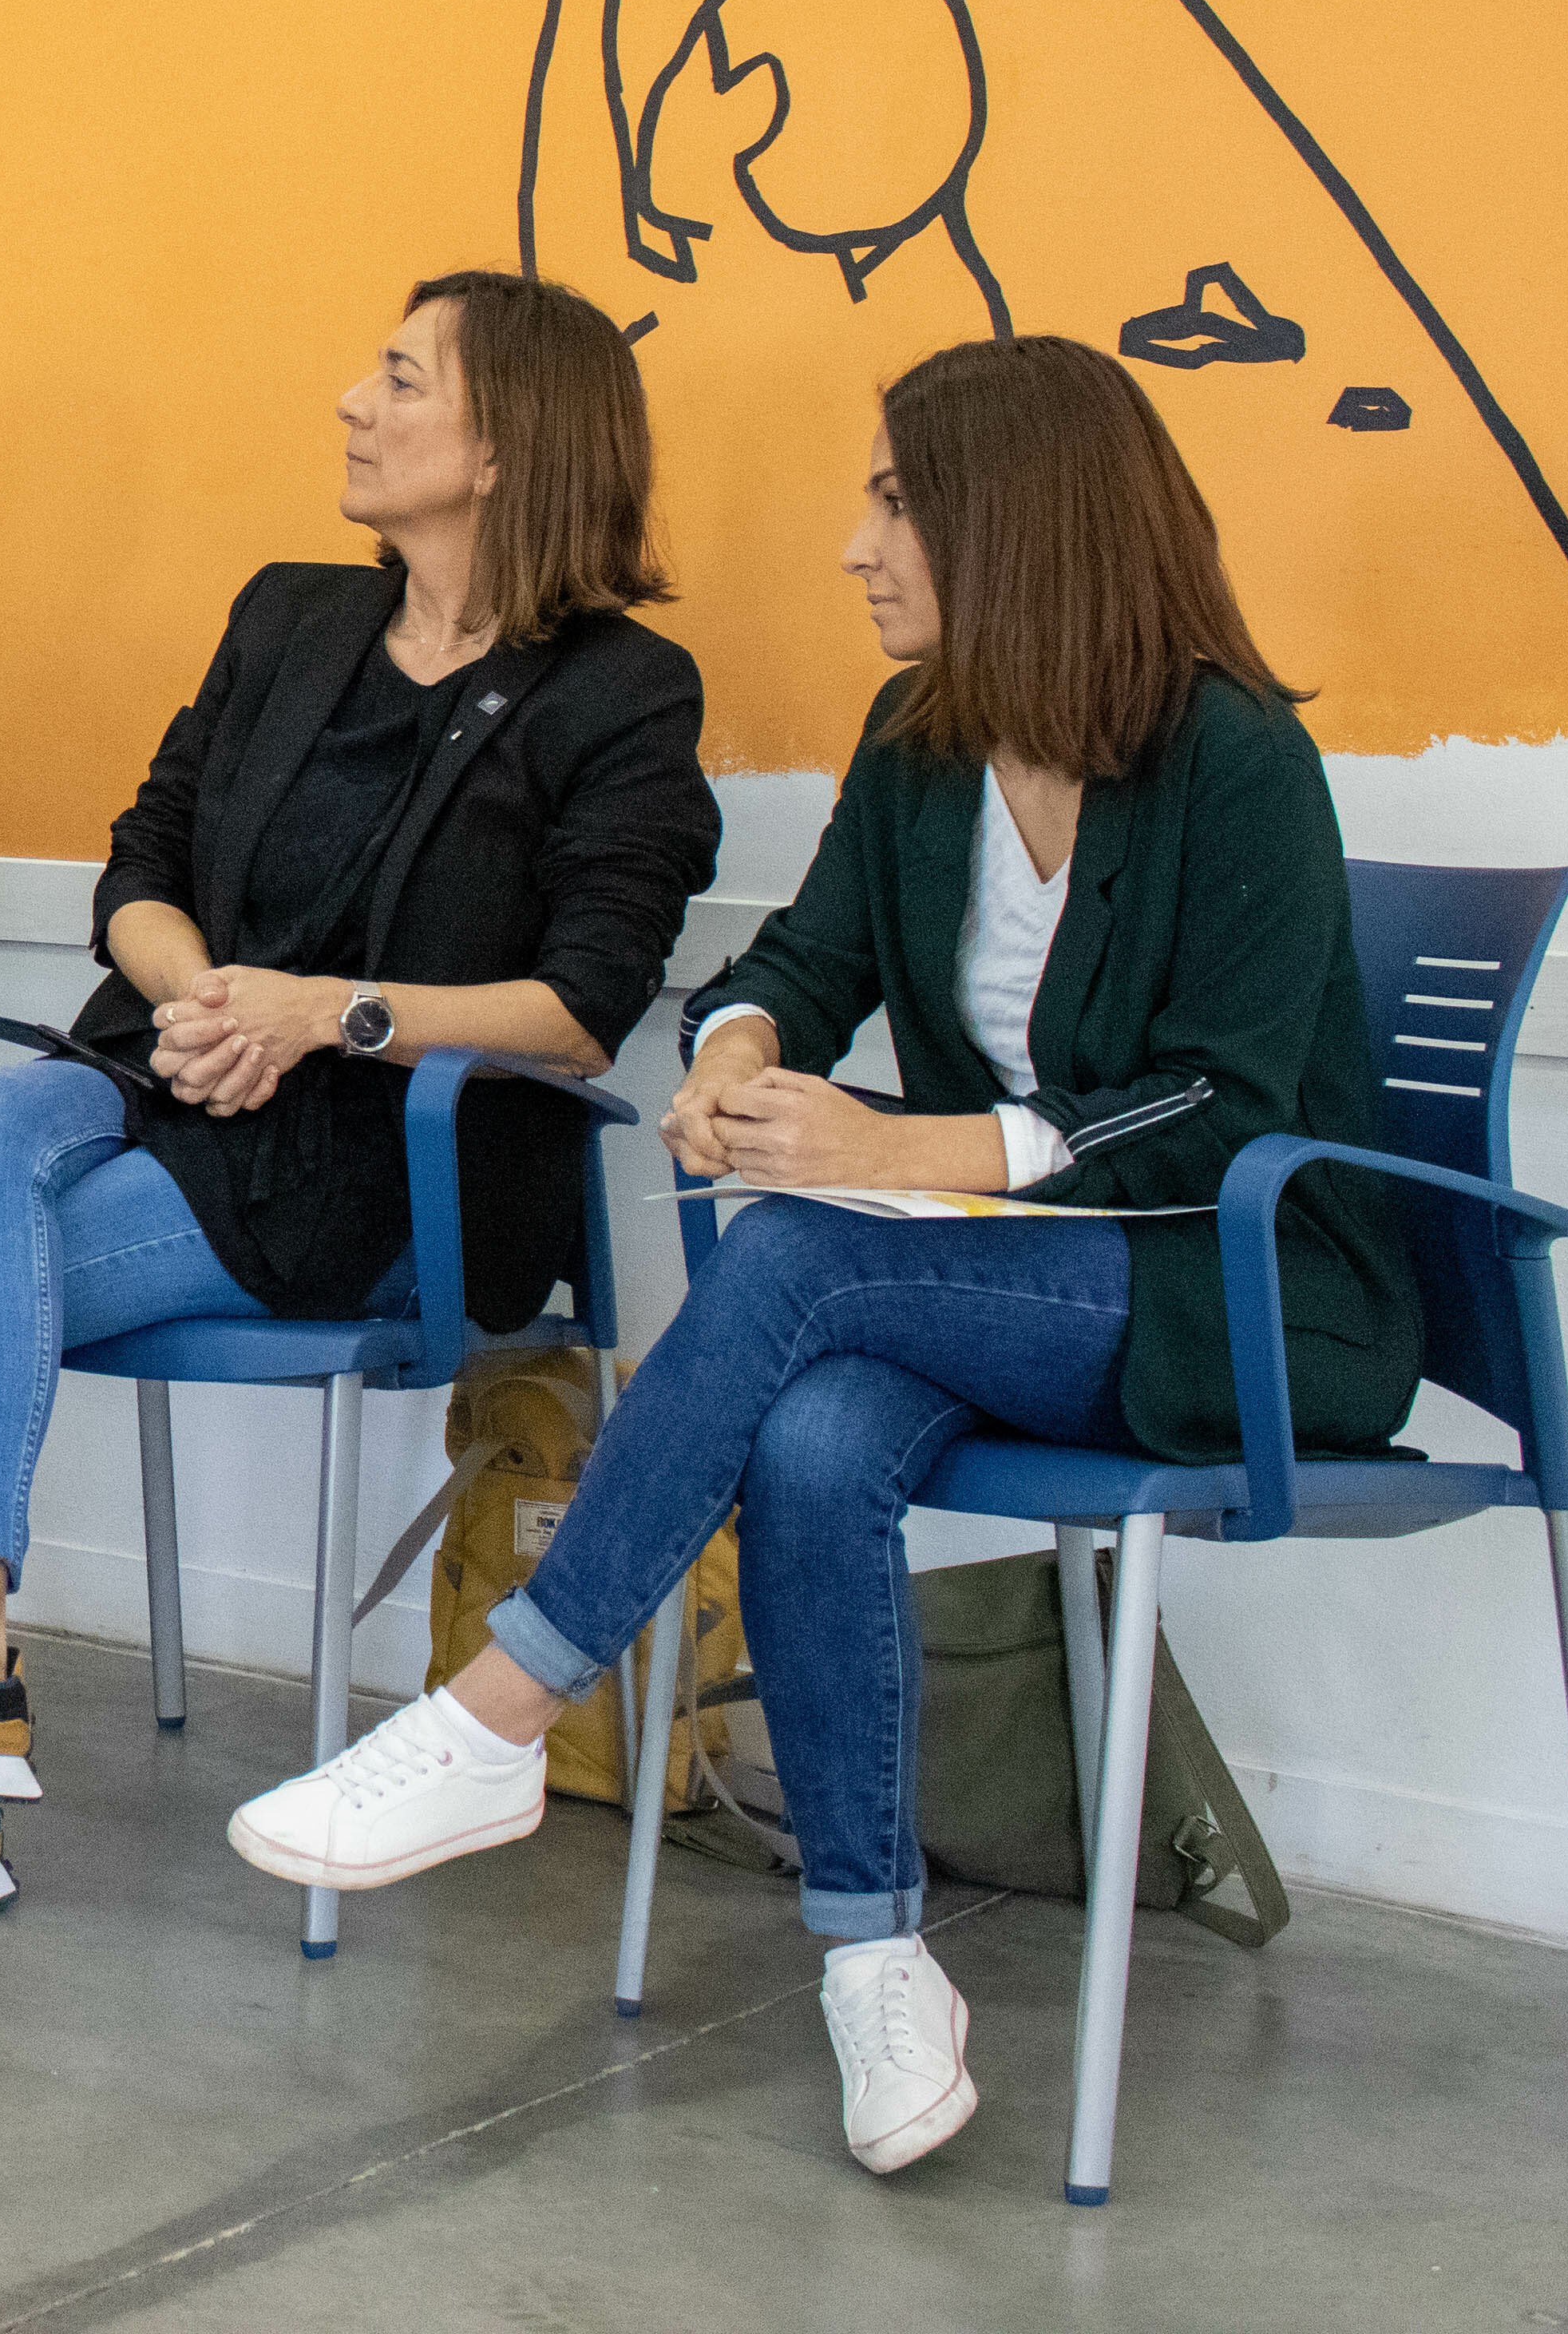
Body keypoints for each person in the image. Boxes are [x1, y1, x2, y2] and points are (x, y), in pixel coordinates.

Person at [224, 331, 1402, 2181]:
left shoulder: (1229, 754)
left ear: (1013, 524)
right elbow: (796, 962)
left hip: (1242, 1293)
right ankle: (872, 1953)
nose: (855, 542)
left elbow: (1217, 1104)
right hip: (1004, 1274)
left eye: (892, 501)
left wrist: (901, 1146)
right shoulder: (919, 743)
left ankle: (502, 1709)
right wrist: (734, 1055)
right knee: (816, 1435)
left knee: (795, 1263)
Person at [0, 271, 720, 1947]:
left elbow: (578, 1005)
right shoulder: (287, 616)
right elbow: (141, 857)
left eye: (397, 378)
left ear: (501, 446)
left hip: (389, 1165)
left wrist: (324, 1013)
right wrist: (199, 995)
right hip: (168, 1071)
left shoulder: (619, 692)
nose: (349, 398)